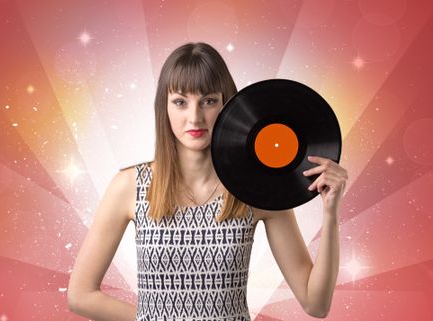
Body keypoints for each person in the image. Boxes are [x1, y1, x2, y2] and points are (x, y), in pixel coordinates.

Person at [67, 42, 349, 321]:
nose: (195, 117)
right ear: (163, 108)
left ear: (229, 104)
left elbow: (316, 304)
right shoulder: (130, 186)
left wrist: (331, 211)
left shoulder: (260, 188)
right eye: (180, 102)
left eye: (209, 101)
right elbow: (80, 295)